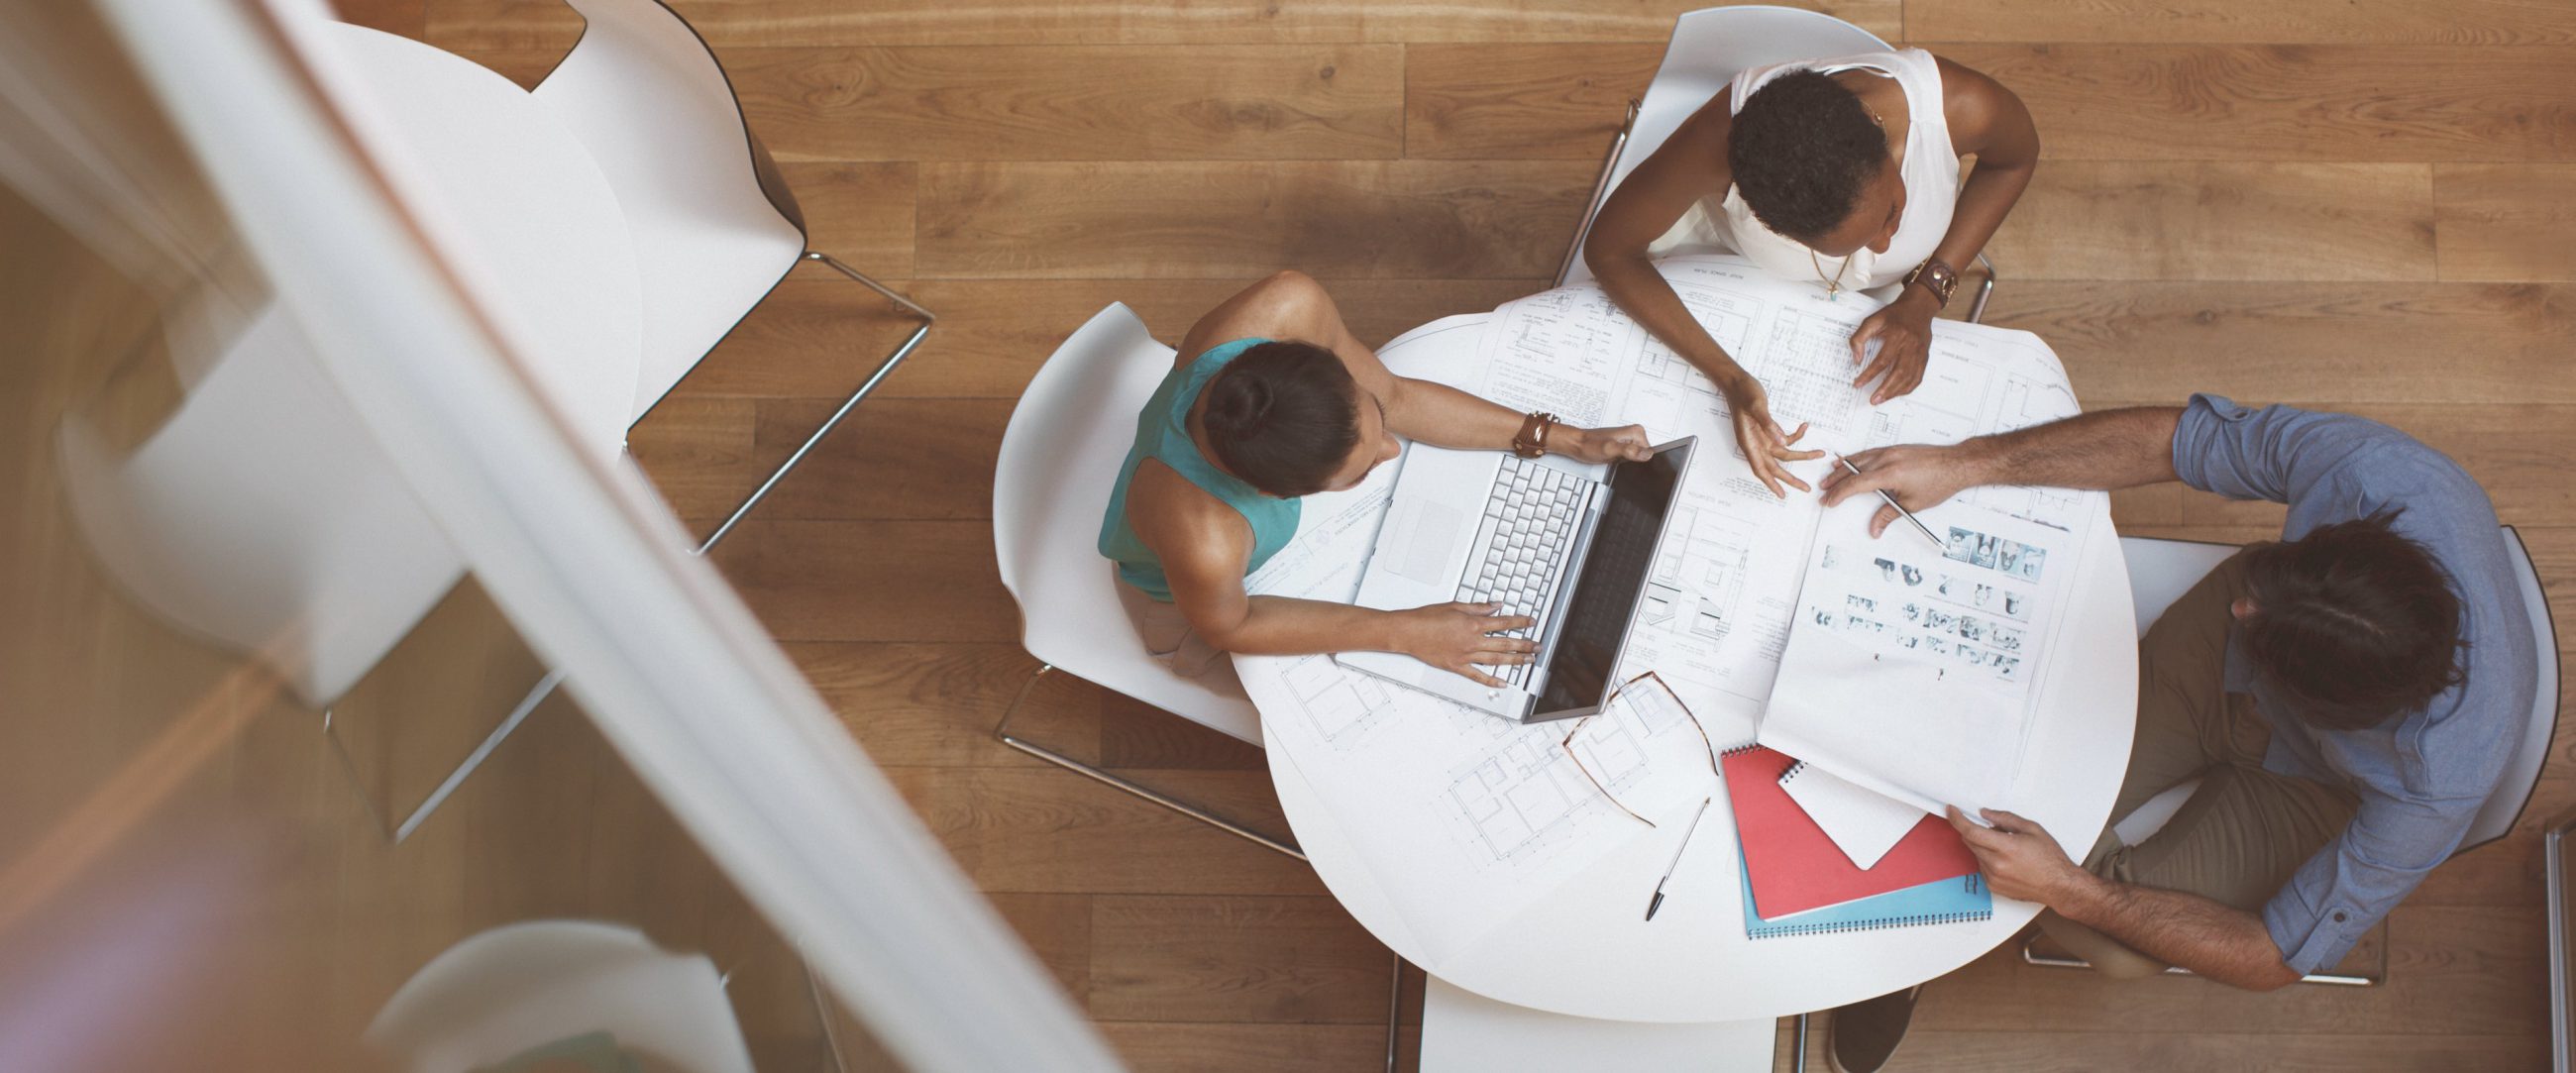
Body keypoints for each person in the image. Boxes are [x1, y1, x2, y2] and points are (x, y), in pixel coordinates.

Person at [1811, 396, 2536, 1073]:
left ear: (2333, 705)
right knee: (1989, 786)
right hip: (2214, 671)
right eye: (2269, 584)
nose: (2243, 607)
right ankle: (1920, 934)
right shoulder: (2381, 478)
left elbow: (2274, 956)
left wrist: (2074, 889)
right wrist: (1968, 463)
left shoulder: (2436, 782)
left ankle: (1935, 915)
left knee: (2111, 939)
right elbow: (2178, 439)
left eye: (2266, 629)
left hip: (2322, 790)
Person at [1097, 271, 1654, 692]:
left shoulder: (1290, 305)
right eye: (1361, 470)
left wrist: (1569, 439)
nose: (1392, 447)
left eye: (1375, 426)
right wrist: (1403, 633)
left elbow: (1398, 397)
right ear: (1273, 494)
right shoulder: (1205, 539)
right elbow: (1233, 626)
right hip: (1185, 607)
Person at [1581, 50, 2038, 497]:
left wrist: (1926, 292)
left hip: (1890, 308)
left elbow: (2015, 159)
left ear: (1878, 133)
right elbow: (1610, 251)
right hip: (1735, 275)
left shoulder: (1956, 106)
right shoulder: (1716, 145)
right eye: (1846, 245)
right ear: (1766, 220)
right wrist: (1731, 379)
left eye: (1892, 210)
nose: (1885, 246)